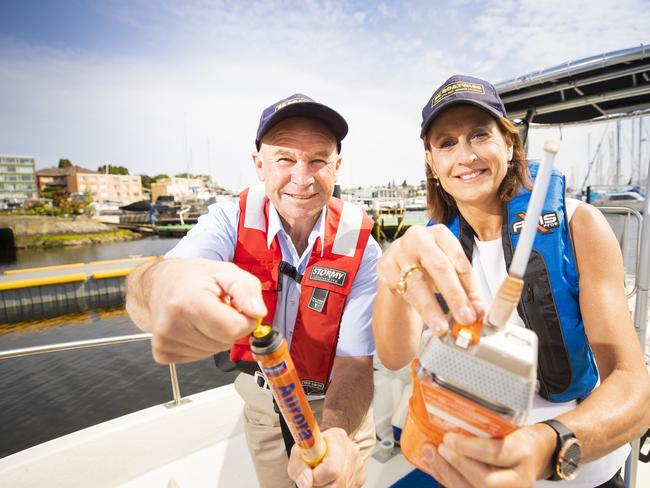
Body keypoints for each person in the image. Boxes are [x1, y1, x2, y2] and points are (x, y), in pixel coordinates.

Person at [373, 75, 650, 487]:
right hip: (464, 464)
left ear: (508, 143)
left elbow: (634, 386)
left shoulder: (580, 225)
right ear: (431, 161)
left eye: (479, 135)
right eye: (446, 143)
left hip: (577, 468)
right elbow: (394, 356)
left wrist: (547, 446)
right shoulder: (430, 246)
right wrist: (392, 276)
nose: (465, 155)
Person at [125, 93, 379, 488]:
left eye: (318, 160)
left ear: (337, 167)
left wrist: (336, 433)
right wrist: (161, 289)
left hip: (338, 407)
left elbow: (355, 361)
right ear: (258, 164)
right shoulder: (228, 220)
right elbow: (164, 277)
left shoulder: (361, 245)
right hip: (263, 406)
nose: (302, 176)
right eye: (284, 159)